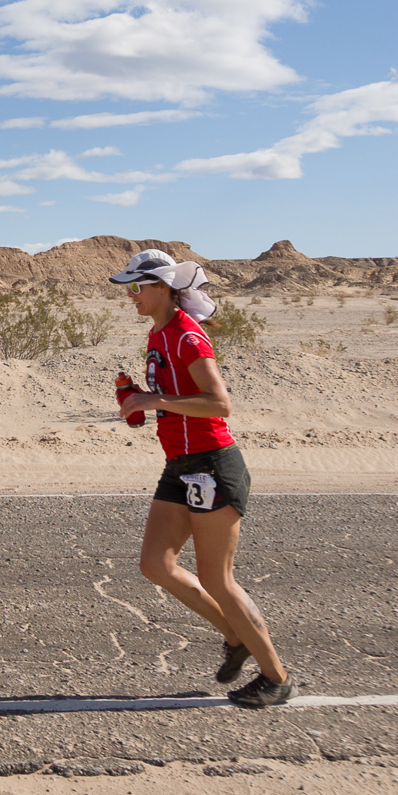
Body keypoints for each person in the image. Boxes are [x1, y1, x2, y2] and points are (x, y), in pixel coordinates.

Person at [111, 248, 291, 708]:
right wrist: (140, 399)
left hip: (211, 464)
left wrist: (156, 401)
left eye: (137, 287)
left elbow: (218, 403)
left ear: (162, 288)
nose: (131, 296)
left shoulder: (187, 338)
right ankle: (235, 637)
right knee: (156, 564)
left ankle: (276, 677)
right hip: (182, 465)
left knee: (219, 579)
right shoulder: (158, 334)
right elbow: (171, 396)